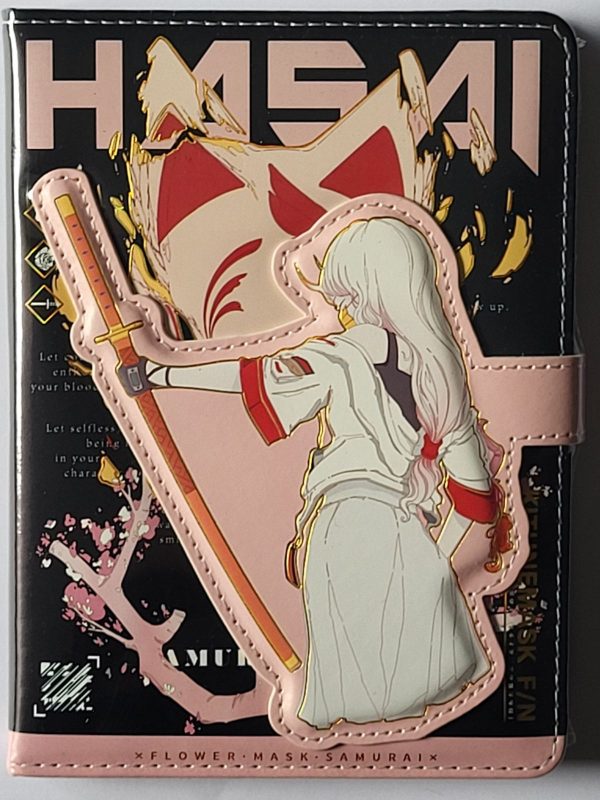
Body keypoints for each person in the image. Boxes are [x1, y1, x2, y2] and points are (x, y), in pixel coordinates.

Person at [121, 217, 507, 729]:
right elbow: (475, 497)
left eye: (344, 288)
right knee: (412, 676)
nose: (340, 304)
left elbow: (251, 376)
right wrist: (437, 562)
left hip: (347, 527)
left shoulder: (346, 353)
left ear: (363, 286)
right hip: (407, 535)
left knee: (358, 688)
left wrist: (160, 373)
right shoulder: (439, 374)